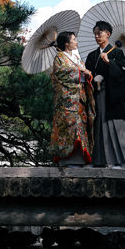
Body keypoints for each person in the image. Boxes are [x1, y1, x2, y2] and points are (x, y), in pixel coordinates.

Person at [84, 20, 125, 168]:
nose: (96, 36)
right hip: (95, 95)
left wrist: (110, 62)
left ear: (108, 34)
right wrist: (89, 76)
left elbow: (122, 72)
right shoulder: (92, 55)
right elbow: (87, 75)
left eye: (99, 33)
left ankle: (117, 162)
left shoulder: (117, 53)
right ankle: (98, 161)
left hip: (111, 95)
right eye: (95, 34)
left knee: (114, 125)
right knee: (97, 126)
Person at [49, 30, 94, 167]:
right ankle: (66, 159)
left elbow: (84, 73)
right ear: (66, 43)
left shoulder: (76, 58)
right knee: (67, 127)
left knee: (80, 126)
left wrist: (87, 73)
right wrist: (79, 71)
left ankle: (80, 158)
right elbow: (60, 74)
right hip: (67, 101)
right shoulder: (59, 57)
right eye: (74, 39)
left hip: (80, 98)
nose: (76, 42)